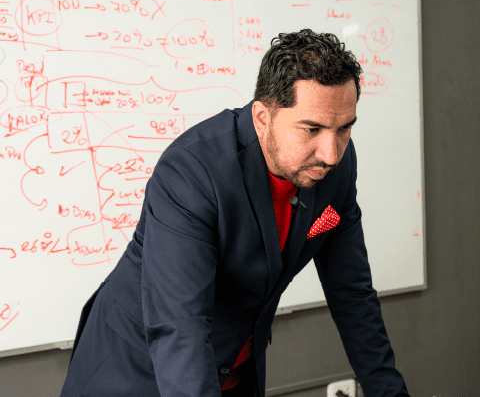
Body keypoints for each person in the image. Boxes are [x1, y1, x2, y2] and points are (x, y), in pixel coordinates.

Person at [60, 29, 410, 397]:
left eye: (344, 128)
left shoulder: (334, 166)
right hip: (136, 373)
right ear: (262, 117)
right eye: (312, 129)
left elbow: (352, 295)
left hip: (233, 368)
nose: (331, 153)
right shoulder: (191, 173)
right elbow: (181, 327)